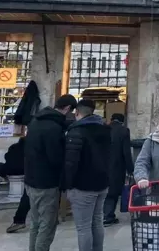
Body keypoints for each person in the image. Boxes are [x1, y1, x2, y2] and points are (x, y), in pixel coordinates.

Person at [24, 94, 77, 251]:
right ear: (67, 108)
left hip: (31, 179)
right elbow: (55, 158)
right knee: (47, 225)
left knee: (35, 222)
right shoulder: (53, 128)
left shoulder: (36, 121)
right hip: (46, 183)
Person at [63, 99, 112, 251]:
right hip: (102, 184)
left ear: (77, 113)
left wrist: (66, 185)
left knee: (83, 227)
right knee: (97, 222)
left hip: (82, 186)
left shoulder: (76, 131)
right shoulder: (105, 130)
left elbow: (71, 162)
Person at [103, 113, 134, 226]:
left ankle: (102, 215)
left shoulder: (103, 128)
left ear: (111, 119)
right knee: (113, 192)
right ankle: (108, 216)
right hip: (117, 165)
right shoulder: (124, 131)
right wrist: (130, 168)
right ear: (122, 121)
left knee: (103, 191)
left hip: (102, 165)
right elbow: (126, 152)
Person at [0, 137, 30, 233]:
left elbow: (7, 157)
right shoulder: (32, 147)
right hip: (28, 171)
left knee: (27, 195)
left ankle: (19, 220)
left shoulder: (13, 147)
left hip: (13, 170)